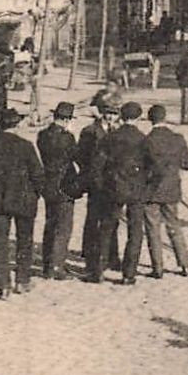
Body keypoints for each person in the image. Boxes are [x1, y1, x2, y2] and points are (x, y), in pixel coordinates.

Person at [0, 108, 44, 299]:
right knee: (24, 242)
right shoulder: (26, 146)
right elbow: (38, 175)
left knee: (0, 243)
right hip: (24, 202)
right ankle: (22, 281)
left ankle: (3, 285)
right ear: (16, 125)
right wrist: (35, 195)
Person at [140, 104, 188, 278]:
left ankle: (157, 268)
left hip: (150, 191)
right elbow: (187, 164)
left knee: (152, 229)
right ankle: (184, 264)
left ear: (150, 120)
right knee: (174, 226)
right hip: (171, 190)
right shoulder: (178, 138)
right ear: (165, 118)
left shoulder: (146, 141)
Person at [105, 101, 149, 285]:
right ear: (139, 118)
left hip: (114, 187)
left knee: (107, 227)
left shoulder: (111, 137)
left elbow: (100, 163)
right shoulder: (143, 139)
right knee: (135, 231)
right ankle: (129, 273)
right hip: (136, 190)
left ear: (121, 117)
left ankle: (101, 267)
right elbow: (151, 166)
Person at [36, 102, 79, 279]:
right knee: (63, 227)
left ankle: (48, 265)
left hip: (48, 184)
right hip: (64, 184)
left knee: (50, 224)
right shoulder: (67, 138)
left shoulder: (42, 135)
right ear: (68, 119)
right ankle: (57, 266)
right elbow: (76, 156)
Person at [78, 102, 118, 283]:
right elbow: (81, 156)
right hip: (95, 182)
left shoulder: (115, 131)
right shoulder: (89, 131)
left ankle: (111, 256)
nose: (110, 117)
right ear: (102, 113)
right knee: (93, 219)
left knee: (111, 221)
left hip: (111, 184)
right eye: (108, 113)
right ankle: (89, 253)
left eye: (114, 114)